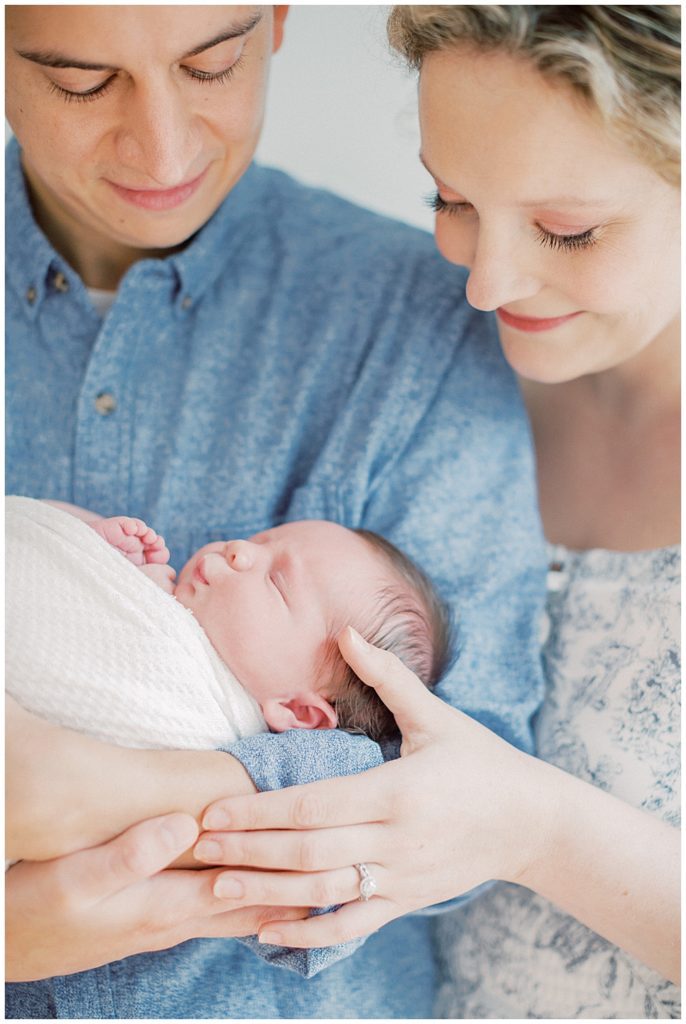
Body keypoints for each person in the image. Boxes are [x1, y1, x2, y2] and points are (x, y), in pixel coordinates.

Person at [4, 5, 546, 1018]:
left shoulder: (415, 314)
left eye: (212, 65)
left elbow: (470, 789)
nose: (161, 145)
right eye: (82, 81)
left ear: (280, 22)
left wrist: (86, 790)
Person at [192, 5, 680, 1017]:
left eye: (564, 229)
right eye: (448, 197)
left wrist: (533, 826)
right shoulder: (426, 377)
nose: (484, 281)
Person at [7, 494, 450, 755]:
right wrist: (95, 544)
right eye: (262, 539)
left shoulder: (207, 733)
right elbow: (41, 543)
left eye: (276, 582)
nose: (240, 550)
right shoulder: (159, 591)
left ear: (299, 712)